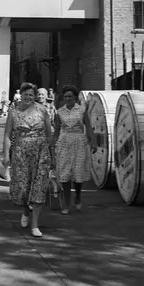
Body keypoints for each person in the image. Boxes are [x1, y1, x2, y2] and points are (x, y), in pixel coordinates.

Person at [2, 82, 55, 238]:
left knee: (38, 187)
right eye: (25, 94)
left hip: (41, 152)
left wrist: (53, 154)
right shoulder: (13, 112)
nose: (28, 97)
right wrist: (6, 156)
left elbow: (49, 134)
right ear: (21, 95)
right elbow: (7, 135)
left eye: (31, 94)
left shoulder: (42, 110)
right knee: (23, 187)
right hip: (20, 152)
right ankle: (25, 209)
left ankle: (35, 225)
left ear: (35, 96)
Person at [54, 85, 97, 214]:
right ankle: (66, 203)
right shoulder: (59, 112)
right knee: (65, 173)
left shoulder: (82, 110)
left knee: (78, 171)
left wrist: (93, 141)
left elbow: (88, 126)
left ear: (75, 97)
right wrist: (52, 144)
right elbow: (57, 129)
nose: (68, 99)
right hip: (64, 142)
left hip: (79, 141)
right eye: (65, 96)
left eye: (70, 96)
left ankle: (78, 195)